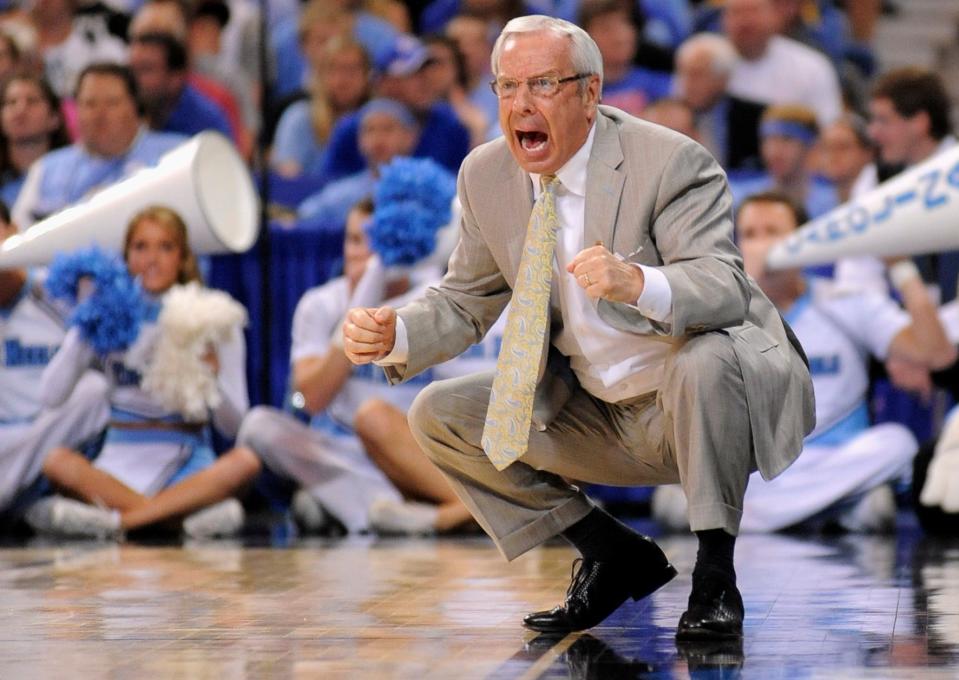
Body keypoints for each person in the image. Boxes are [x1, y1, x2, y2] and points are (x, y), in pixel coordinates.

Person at [343, 16, 814, 640]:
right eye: (505, 87)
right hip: (595, 411)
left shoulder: (669, 161)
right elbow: (465, 301)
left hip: (703, 405)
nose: (520, 105)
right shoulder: (486, 175)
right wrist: (394, 333)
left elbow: (725, 288)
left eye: (541, 84)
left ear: (591, 94)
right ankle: (611, 551)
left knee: (703, 359)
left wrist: (637, 283)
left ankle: (715, 577)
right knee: (440, 413)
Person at [654, 192, 956, 533]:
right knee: (676, 482)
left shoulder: (844, 301)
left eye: (773, 232)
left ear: (804, 241)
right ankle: (820, 513)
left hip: (835, 462)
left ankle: (750, 520)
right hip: (753, 471)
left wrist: (902, 269)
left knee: (898, 442)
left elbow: (937, 354)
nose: (761, 246)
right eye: (750, 235)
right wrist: (747, 288)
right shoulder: (717, 308)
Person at [238, 197, 474, 535]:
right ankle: (407, 511)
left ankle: (390, 511)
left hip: (410, 453)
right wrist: (363, 300)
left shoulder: (433, 298)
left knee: (374, 416)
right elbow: (312, 398)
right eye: (353, 240)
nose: (360, 253)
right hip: (339, 455)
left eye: (375, 242)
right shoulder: (320, 304)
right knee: (258, 426)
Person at [24, 206, 259, 539]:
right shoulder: (109, 311)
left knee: (245, 462)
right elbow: (50, 395)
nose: (152, 258)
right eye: (141, 247)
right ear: (126, 255)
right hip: (118, 462)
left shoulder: (214, 316)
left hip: (187, 461)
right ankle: (172, 521)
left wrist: (214, 378)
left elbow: (235, 426)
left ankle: (119, 523)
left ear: (183, 258)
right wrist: (83, 329)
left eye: (166, 247)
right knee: (56, 461)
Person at [0, 202, 110, 523]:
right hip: (5, 436)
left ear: (14, 232)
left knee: (94, 390)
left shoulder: (59, 291)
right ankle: (25, 507)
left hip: (58, 435)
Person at [12, 63, 186, 229]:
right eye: (89, 104)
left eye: (112, 103)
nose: (100, 114)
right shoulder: (46, 170)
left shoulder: (177, 155)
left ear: (135, 107)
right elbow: (17, 236)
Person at [673, 32, 766, 171]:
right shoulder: (667, 117)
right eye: (684, 73)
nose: (689, 83)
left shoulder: (755, 117)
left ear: (723, 78)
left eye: (698, 74)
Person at [128, 32, 233, 140]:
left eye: (146, 69)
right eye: (132, 69)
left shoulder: (207, 124)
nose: (133, 78)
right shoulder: (124, 110)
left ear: (176, 77)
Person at [0, 72, 70, 208]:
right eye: (11, 102)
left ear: (54, 118)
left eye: (32, 101)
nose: (20, 109)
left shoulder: (74, 173)